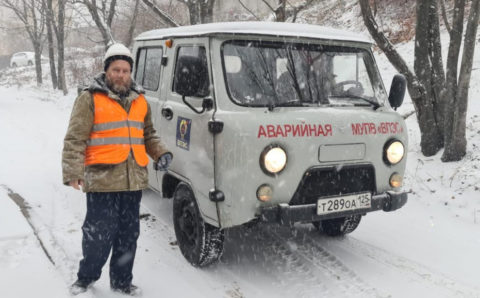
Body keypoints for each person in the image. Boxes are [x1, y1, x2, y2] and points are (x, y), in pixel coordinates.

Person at [62, 43, 172, 296]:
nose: (120, 75)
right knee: (98, 235)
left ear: (130, 73)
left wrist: (160, 152)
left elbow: (148, 134)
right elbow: (75, 138)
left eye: (125, 70)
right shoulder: (89, 98)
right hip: (102, 180)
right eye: (115, 69)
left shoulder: (140, 100)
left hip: (133, 181)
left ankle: (122, 282)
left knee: (128, 235)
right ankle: (86, 277)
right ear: (106, 71)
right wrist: (72, 172)